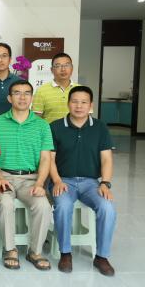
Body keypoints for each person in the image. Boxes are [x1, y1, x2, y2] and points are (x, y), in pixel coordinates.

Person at [49, 86, 116, 276]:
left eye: (84, 102)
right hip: (63, 181)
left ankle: (101, 256)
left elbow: (106, 159)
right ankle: (65, 253)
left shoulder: (100, 127)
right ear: (68, 103)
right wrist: (56, 180)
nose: (79, 106)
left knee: (107, 207)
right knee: (63, 206)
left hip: (90, 183)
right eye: (75, 102)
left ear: (90, 105)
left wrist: (105, 183)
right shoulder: (55, 126)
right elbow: (49, 159)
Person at [0, 80, 53, 270]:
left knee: (43, 205)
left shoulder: (42, 125)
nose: (22, 97)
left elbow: (46, 158)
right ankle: (10, 249)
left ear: (32, 98)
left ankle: (35, 251)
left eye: (27, 93)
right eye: (17, 93)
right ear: (9, 98)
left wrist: (40, 183)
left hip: (31, 179)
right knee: (5, 203)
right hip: (4, 177)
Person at [32, 52, 80, 123]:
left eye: (67, 65)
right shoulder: (41, 91)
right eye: (58, 66)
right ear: (52, 70)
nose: (63, 69)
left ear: (72, 68)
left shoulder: (81, 90)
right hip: (50, 130)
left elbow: (86, 116)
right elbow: (36, 119)